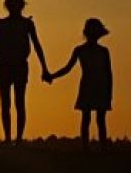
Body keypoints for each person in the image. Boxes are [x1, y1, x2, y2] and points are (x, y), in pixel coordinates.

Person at [0, 0, 50, 142]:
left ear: (21, 5)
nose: (15, 6)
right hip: (4, 66)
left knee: (19, 102)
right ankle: (8, 138)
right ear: (8, 5)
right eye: (12, 3)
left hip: (20, 66)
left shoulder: (27, 24)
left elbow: (37, 45)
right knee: (5, 104)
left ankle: (18, 139)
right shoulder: (1, 24)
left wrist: (44, 67)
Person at [46, 17, 113, 149]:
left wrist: (109, 92)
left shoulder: (103, 51)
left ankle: (100, 147)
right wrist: (53, 76)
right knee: (88, 118)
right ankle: (87, 147)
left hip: (99, 86)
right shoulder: (81, 50)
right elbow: (68, 68)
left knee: (99, 119)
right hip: (90, 86)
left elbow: (109, 73)